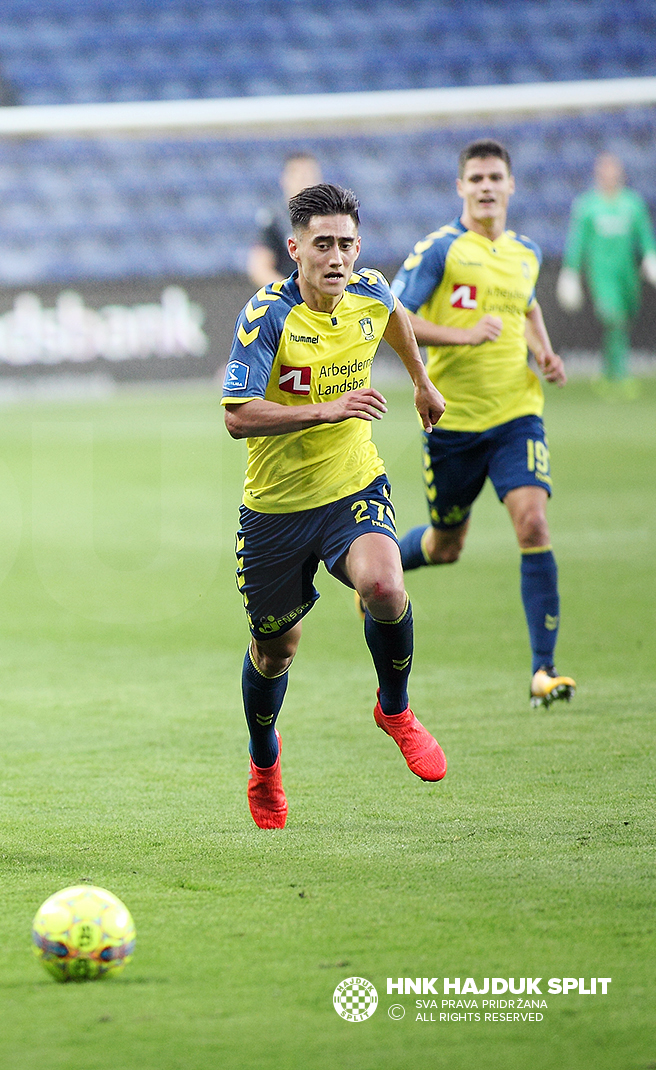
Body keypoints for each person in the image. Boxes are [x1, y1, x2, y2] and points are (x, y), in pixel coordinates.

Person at [221, 182, 448, 830]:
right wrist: (327, 408)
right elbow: (238, 417)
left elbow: (396, 317)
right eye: (323, 244)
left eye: (347, 243)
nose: (337, 256)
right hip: (276, 510)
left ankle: (395, 709)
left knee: (383, 582)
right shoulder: (268, 315)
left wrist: (423, 383)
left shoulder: (372, 291)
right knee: (276, 649)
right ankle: (265, 758)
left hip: (352, 486)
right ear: (295, 249)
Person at [389, 139, 575, 709]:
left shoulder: (527, 252)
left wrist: (542, 351)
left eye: (496, 176)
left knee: (533, 524)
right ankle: (378, 568)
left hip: (517, 416)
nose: (487, 186)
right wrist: (463, 334)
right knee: (447, 545)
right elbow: (394, 313)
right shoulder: (443, 249)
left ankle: (542, 671)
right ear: (461, 188)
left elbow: (528, 303)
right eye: (476, 178)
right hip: (452, 423)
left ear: (511, 185)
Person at [558, 152, 656, 395]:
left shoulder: (632, 203)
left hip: (627, 274)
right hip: (602, 274)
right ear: (598, 175)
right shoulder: (588, 205)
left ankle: (608, 372)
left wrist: (650, 256)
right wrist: (571, 271)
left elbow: (643, 235)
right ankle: (619, 375)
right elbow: (577, 241)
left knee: (624, 318)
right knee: (613, 317)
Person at [247, 152, 321, 289]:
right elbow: (259, 267)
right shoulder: (274, 220)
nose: (303, 181)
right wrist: (290, 291)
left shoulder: (330, 219)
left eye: (308, 175)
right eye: (297, 175)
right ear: (285, 179)